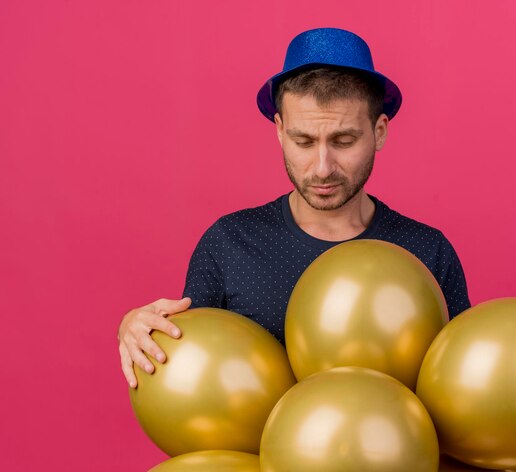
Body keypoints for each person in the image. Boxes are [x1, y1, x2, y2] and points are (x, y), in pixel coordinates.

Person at [118, 28, 471, 388]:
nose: (322, 167)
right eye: (303, 141)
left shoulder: (428, 252)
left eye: (344, 140)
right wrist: (136, 327)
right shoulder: (229, 243)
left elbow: (462, 389)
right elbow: (189, 368)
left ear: (379, 132)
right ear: (279, 131)